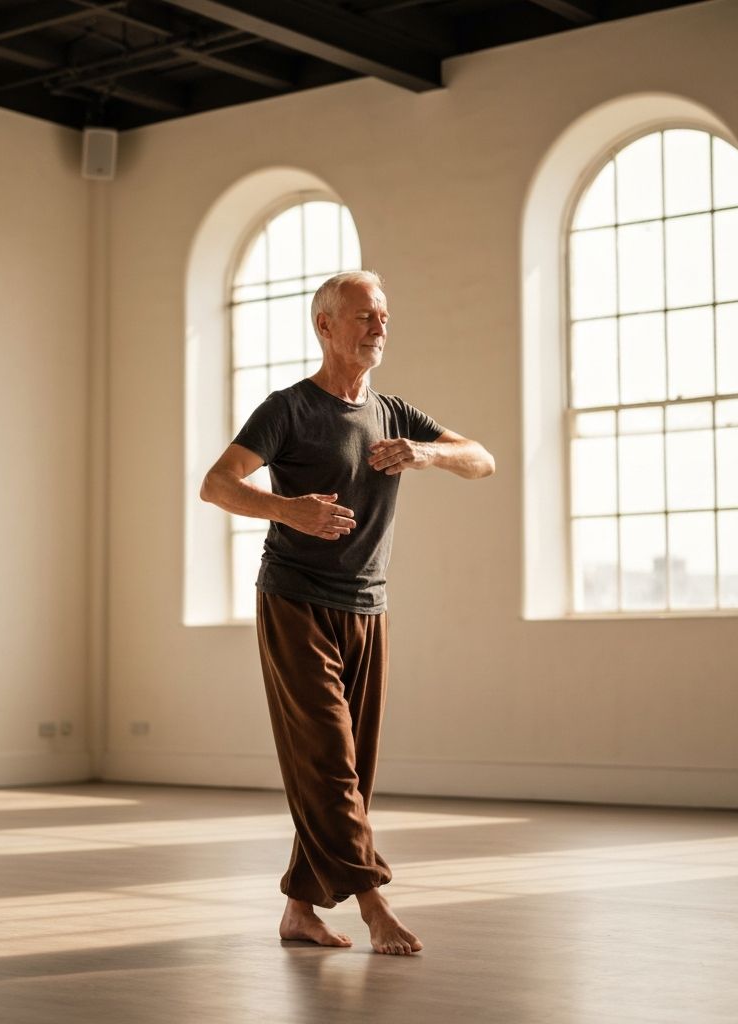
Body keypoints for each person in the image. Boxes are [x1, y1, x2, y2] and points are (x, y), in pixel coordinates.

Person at [200, 270, 494, 955]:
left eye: (384, 315)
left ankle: (299, 909)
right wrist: (287, 509)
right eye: (364, 316)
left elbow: (483, 459)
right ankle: (372, 901)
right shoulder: (289, 409)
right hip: (295, 600)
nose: (380, 326)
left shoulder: (394, 413)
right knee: (329, 763)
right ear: (326, 326)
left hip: (368, 606)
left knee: (348, 769)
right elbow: (217, 484)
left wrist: (426, 454)